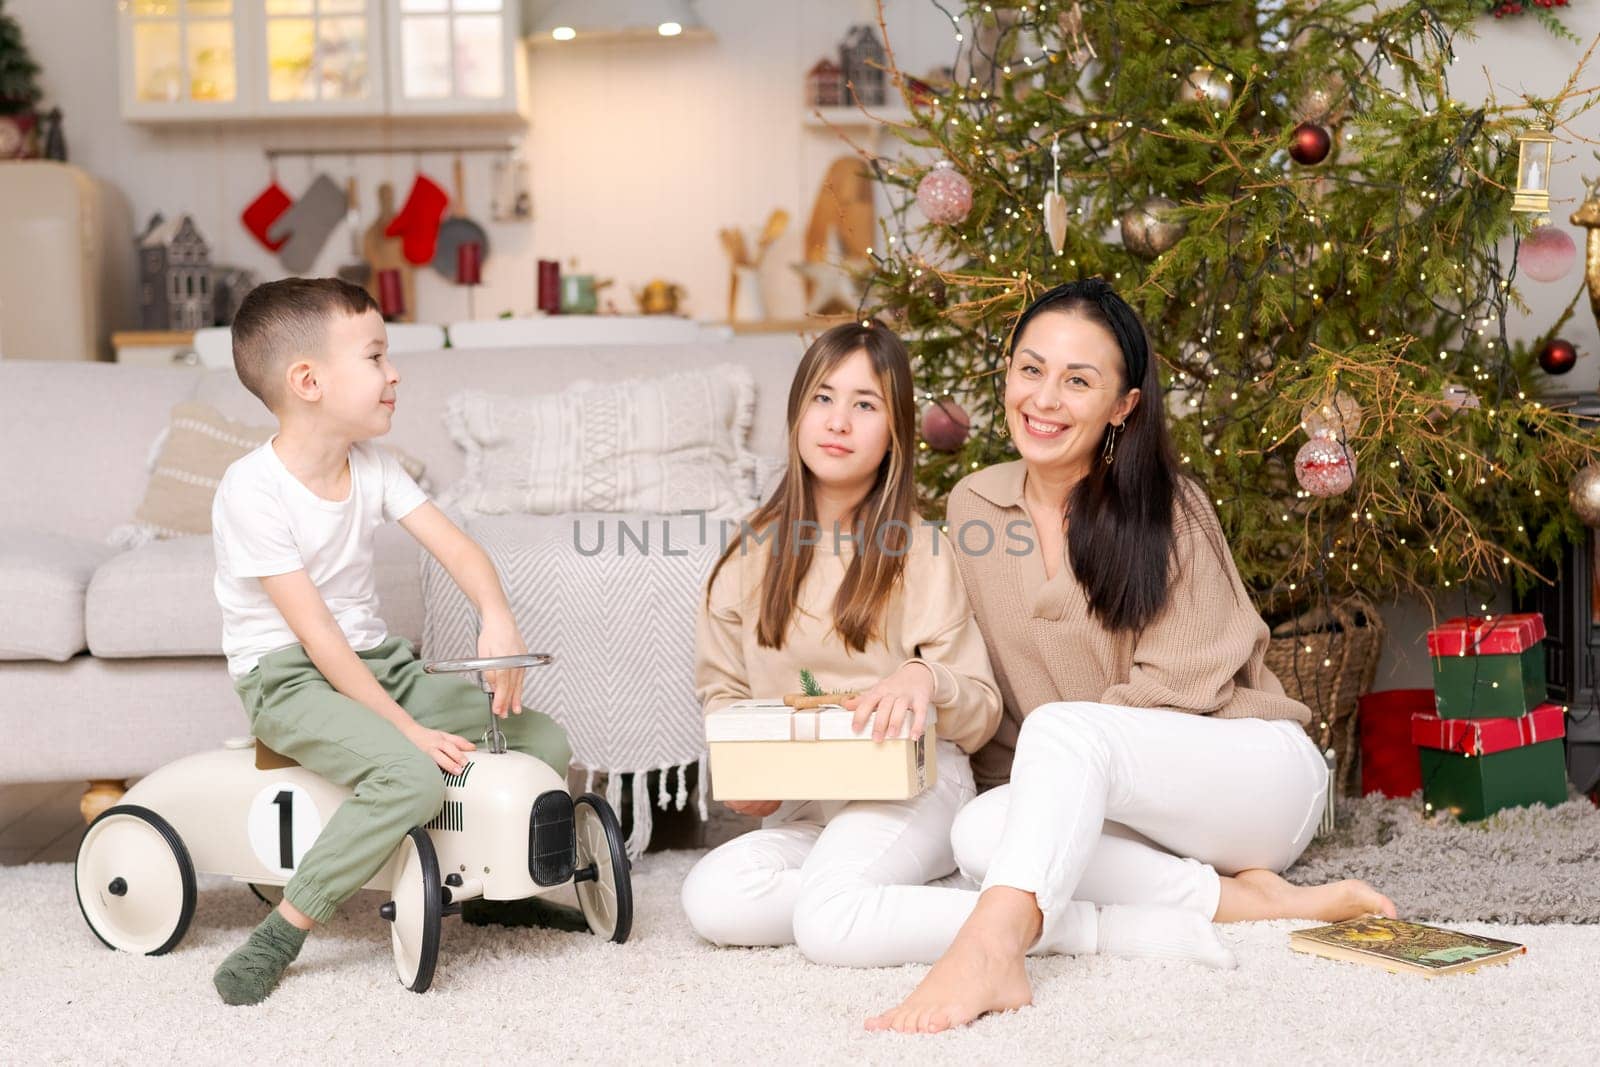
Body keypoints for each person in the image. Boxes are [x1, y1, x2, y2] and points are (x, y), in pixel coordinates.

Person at [868, 278, 1393, 1033]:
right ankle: (1250, 901)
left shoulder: (1171, 507)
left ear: (1123, 405)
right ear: (1007, 375)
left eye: (1078, 381)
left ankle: (990, 948)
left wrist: (1065, 766)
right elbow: (987, 683)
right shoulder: (974, 506)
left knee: (1059, 735)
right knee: (980, 833)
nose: (1044, 398)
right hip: (1115, 797)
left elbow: (1177, 689)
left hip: (1250, 777)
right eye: (1030, 368)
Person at [208, 277, 571, 1005]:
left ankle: (501, 889)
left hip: (376, 665)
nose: (394, 372)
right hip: (290, 677)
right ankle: (285, 927)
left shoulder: (374, 466)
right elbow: (318, 639)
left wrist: (495, 613)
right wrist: (406, 728)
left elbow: (461, 550)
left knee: (542, 739)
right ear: (307, 380)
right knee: (410, 773)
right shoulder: (251, 490)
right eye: (375, 355)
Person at [680, 320, 1004, 966]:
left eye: (865, 405)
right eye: (823, 398)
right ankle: (877, 891)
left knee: (828, 920)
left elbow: (982, 708)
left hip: (916, 789)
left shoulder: (920, 550)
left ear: (895, 435)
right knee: (709, 898)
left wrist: (926, 680)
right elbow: (724, 690)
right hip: (807, 808)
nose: (837, 421)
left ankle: (1048, 918)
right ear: (798, 414)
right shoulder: (750, 554)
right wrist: (745, 769)